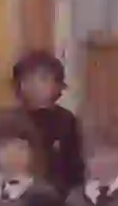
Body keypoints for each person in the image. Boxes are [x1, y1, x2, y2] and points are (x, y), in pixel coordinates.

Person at [12, 50, 84, 194]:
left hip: (59, 195)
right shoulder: (11, 120)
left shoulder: (66, 120)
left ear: (57, 85)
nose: (34, 85)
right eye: (27, 79)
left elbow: (76, 168)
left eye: (43, 79)